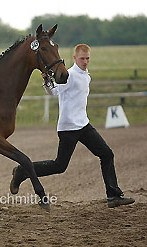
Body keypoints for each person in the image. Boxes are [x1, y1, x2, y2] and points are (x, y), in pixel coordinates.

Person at [10, 44, 135, 208]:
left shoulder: (86, 76)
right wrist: (47, 81)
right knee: (59, 166)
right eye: (82, 58)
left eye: (87, 58)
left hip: (83, 125)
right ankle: (22, 171)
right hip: (68, 128)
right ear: (75, 58)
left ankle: (113, 196)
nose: (85, 61)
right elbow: (54, 92)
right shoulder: (70, 75)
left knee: (106, 154)